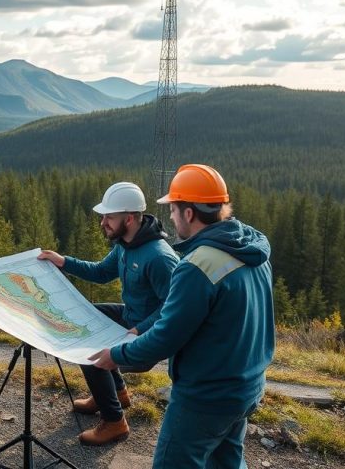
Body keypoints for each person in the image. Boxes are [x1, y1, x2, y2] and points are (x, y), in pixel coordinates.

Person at [88, 164, 275, 468]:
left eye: (173, 210)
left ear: (189, 213)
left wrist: (116, 354)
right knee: (226, 461)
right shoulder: (252, 250)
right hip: (248, 387)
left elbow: (165, 336)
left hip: (205, 396)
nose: (171, 218)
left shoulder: (197, 266)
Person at [37, 181, 178, 446]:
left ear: (130, 218)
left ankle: (115, 422)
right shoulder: (126, 243)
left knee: (91, 355)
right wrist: (63, 261)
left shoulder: (160, 258)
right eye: (104, 216)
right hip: (131, 319)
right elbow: (101, 273)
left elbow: (173, 307)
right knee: (84, 320)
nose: (103, 223)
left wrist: (139, 330)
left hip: (149, 336)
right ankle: (116, 394)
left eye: (109, 217)